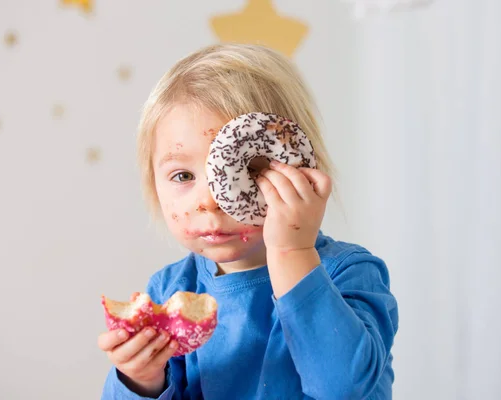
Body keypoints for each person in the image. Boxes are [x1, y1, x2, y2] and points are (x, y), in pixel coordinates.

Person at [98, 43, 398, 400]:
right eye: (182, 176)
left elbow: (345, 389)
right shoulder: (171, 291)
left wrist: (291, 250)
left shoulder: (347, 272)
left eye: (249, 171)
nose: (209, 201)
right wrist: (141, 380)